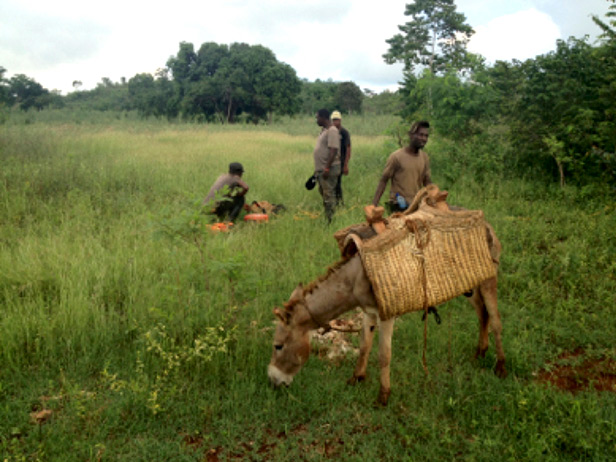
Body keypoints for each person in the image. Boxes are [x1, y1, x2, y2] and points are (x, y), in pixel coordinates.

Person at [372, 121, 432, 213]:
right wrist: (373, 206)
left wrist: (434, 198)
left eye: (426, 136)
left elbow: (427, 181)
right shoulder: (396, 157)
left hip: (415, 205)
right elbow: (383, 180)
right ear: (411, 135)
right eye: (420, 135)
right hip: (399, 205)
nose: (423, 139)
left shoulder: (424, 157)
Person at [313, 108, 341, 223]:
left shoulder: (332, 130)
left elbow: (333, 150)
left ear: (323, 118)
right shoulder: (324, 130)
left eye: (317, 117)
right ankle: (328, 217)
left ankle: (331, 220)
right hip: (322, 169)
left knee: (329, 195)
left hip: (330, 169)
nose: (316, 120)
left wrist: (327, 167)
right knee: (325, 194)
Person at [331, 110, 351, 206]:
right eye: (333, 120)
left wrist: (346, 165)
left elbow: (348, 148)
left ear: (340, 120)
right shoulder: (330, 132)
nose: (335, 122)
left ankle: (340, 203)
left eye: (337, 120)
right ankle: (334, 203)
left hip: (341, 162)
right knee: (332, 184)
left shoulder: (344, 132)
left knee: (337, 183)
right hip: (331, 162)